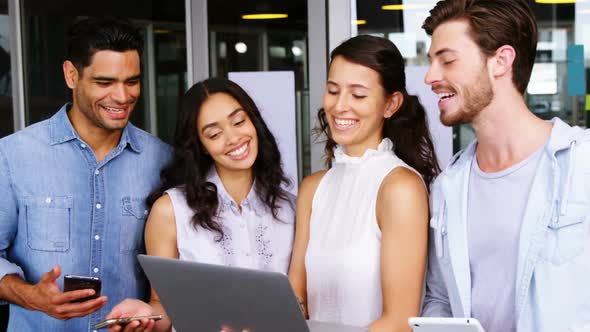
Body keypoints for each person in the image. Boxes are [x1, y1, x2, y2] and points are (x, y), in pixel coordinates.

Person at [421, 1, 590, 331]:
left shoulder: (582, 164)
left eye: (448, 60)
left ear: (501, 61)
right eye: (431, 61)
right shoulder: (447, 187)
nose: (431, 76)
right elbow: (439, 298)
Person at [0, 17, 171, 331]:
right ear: (71, 74)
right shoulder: (12, 155)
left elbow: (175, 271)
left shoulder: (162, 160)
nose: (122, 96)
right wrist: (30, 296)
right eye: (105, 83)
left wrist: (150, 314)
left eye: (132, 81)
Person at [105, 77, 296, 331]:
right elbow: (163, 306)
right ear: (202, 146)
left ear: (254, 122)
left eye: (239, 121)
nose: (233, 138)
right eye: (214, 134)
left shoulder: (292, 208)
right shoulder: (171, 211)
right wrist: (144, 314)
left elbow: (302, 300)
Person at [288, 35, 439, 332]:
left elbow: (399, 321)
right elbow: (297, 296)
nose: (340, 106)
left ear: (390, 104)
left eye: (358, 95)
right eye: (333, 91)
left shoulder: (400, 187)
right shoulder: (313, 188)